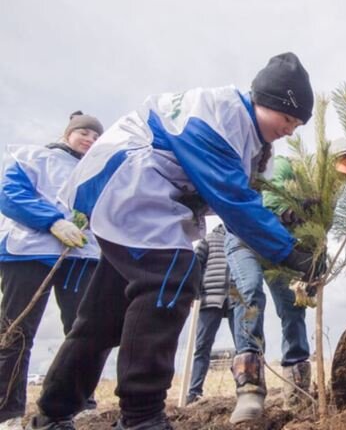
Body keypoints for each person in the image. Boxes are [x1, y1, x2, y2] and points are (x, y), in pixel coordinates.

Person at [27, 52, 325, 430]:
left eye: (297, 125)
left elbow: (244, 194)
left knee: (104, 316)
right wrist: (289, 251)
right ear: (266, 101)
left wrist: (285, 217)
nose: (290, 130)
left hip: (138, 198)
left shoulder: (246, 134)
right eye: (288, 119)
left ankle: (52, 412)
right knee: (170, 277)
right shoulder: (220, 117)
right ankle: (141, 416)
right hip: (130, 184)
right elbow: (232, 199)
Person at [224, 136, 346, 423]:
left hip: (280, 250)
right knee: (249, 291)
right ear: (325, 162)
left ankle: (296, 392)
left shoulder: (328, 199)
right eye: (338, 174)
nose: (339, 183)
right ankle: (250, 387)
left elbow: (318, 240)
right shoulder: (285, 166)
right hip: (244, 238)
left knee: (293, 311)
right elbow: (264, 204)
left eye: (345, 180)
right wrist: (291, 212)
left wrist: (315, 267)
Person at [0, 112, 103, 429]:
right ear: (68, 133)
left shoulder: (98, 170)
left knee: (82, 330)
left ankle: (79, 403)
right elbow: (9, 193)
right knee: (17, 330)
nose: (90, 140)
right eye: (84, 132)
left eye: (96, 137)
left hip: (80, 258)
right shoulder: (33, 157)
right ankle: (8, 411)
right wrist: (52, 220)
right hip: (28, 254)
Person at [184, 224, 236, 406]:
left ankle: (244, 388)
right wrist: (194, 292)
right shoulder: (209, 239)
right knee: (202, 346)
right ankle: (194, 392)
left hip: (235, 298)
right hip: (210, 297)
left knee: (243, 346)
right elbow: (195, 264)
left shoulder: (241, 236)